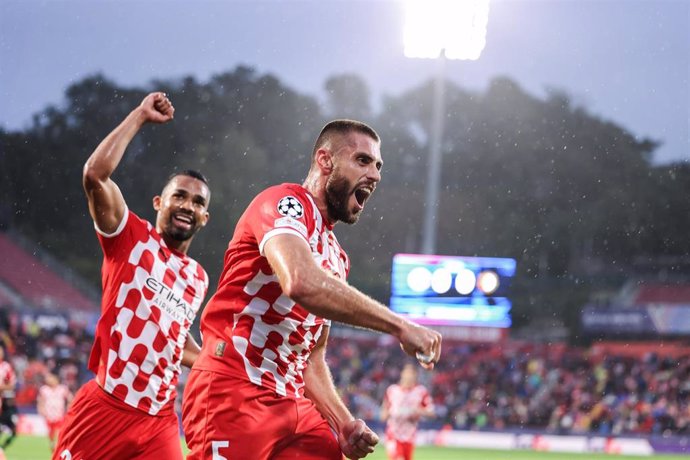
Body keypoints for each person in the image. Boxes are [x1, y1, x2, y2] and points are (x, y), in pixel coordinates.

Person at [182, 119, 442, 460]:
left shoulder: (337, 258)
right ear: (325, 161)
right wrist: (400, 325)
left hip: (293, 405)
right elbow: (299, 281)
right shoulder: (284, 203)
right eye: (362, 161)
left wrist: (343, 422)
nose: (375, 175)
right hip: (234, 390)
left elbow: (311, 356)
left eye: (378, 166)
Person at [54, 92, 212, 460]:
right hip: (106, 407)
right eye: (179, 196)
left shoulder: (198, 278)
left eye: (198, 202)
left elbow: (175, 336)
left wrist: (217, 362)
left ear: (205, 218)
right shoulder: (130, 238)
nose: (188, 205)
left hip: (159, 423)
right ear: (160, 202)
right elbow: (94, 174)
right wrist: (140, 116)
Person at [381, 363, 435, 460]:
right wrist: (392, 412)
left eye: (412, 374)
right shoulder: (392, 390)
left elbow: (431, 412)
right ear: (402, 374)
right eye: (407, 373)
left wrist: (417, 411)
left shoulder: (421, 391)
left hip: (410, 436)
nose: (409, 377)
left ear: (415, 376)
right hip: (394, 434)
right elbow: (384, 414)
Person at [38, 373, 73, 452]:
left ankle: (57, 447)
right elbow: (41, 400)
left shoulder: (62, 389)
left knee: (58, 432)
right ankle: (52, 444)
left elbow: (70, 398)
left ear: (56, 379)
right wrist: (41, 409)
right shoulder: (44, 389)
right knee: (51, 433)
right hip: (49, 415)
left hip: (59, 415)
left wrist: (69, 407)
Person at [0, 347, 17, 450]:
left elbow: (12, 384)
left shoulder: (6, 367)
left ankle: (2, 447)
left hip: (5, 403)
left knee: (14, 430)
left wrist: (2, 388)